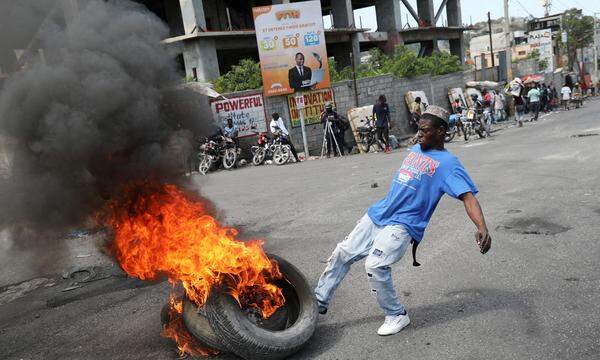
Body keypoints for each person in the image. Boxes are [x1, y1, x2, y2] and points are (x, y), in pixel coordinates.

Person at [314, 105, 491, 336]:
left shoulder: (448, 164)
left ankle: (397, 315)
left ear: (440, 131)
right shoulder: (418, 147)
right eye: (419, 129)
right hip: (380, 213)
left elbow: (468, 197)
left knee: (375, 265)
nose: (419, 134)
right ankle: (317, 303)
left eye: (425, 130)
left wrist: (482, 226)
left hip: (404, 224)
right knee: (341, 253)